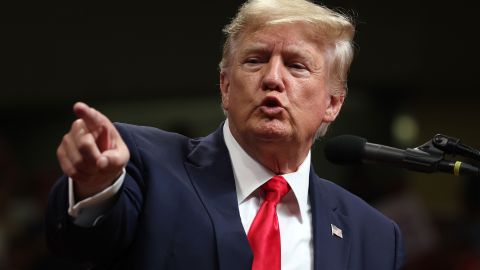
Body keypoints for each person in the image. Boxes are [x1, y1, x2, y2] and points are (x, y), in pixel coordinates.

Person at [46, 0, 405, 269]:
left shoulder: (374, 236)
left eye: (296, 65)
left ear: (332, 103)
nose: (272, 78)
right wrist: (96, 185)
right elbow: (79, 246)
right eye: (254, 60)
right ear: (226, 86)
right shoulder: (146, 164)